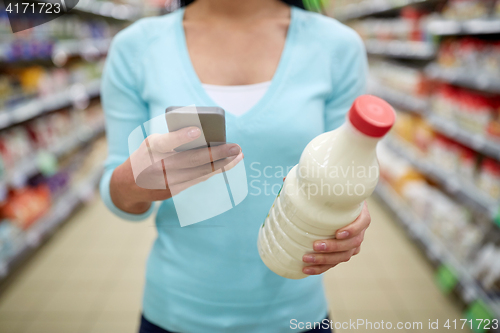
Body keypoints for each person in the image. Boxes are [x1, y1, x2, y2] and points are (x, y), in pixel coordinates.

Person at [100, 0, 371, 332]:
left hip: (295, 312)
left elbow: (348, 168)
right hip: (176, 310)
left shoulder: (337, 45)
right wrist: (136, 179)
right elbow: (119, 197)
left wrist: (351, 216)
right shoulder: (136, 47)